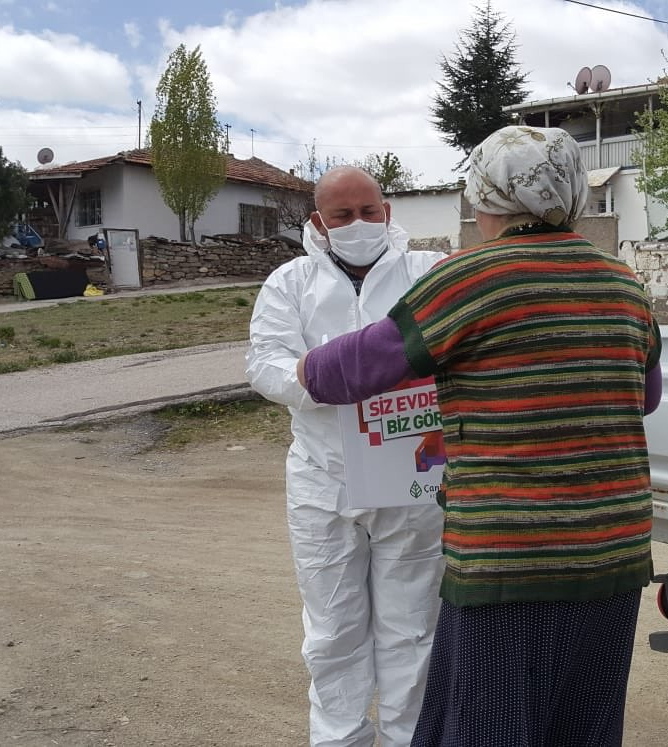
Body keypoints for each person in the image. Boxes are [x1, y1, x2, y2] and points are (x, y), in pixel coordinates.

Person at [296, 125, 663, 747]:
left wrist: (306, 365)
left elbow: (348, 371)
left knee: (489, 727)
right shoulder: (624, 284)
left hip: (508, 559)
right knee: (583, 727)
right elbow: (645, 397)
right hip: (614, 556)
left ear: (485, 197)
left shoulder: (470, 278)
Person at [245, 165, 447, 747]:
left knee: (411, 629)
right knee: (333, 629)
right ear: (318, 221)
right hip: (323, 482)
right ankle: (340, 739)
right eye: (343, 215)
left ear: (388, 213)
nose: (359, 224)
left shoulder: (428, 273)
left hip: (412, 478)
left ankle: (409, 739)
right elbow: (265, 364)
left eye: (369, 211)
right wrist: (326, 380)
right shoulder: (290, 283)